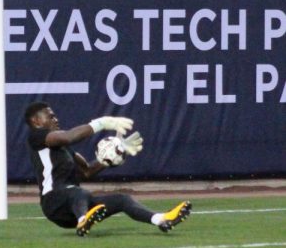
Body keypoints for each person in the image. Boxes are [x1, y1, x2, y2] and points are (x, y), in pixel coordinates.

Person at [24, 101, 191, 236]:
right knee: (78, 192)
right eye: (50, 117)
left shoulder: (62, 147)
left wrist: (113, 155)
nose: (55, 119)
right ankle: (83, 220)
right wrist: (102, 123)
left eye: (55, 117)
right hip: (53, 202)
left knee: (122, 199)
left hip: (71, 209)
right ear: (36, 121)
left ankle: (161, 219)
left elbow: (87, 170)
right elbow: (69, 136)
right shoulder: (36, 137)